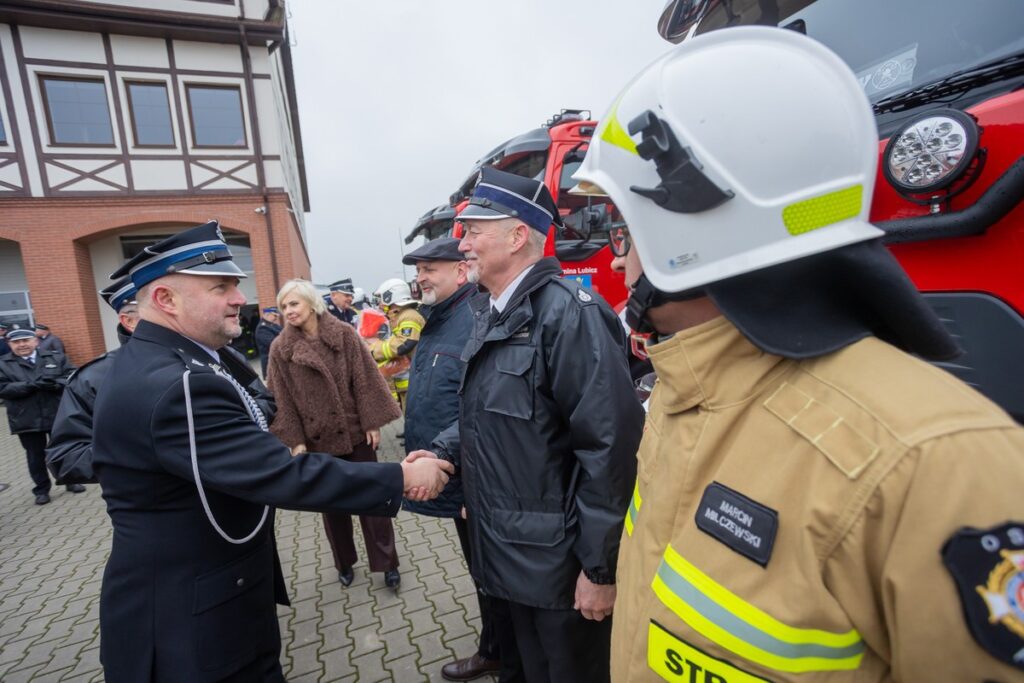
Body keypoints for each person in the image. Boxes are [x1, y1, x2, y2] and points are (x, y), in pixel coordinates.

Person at [571, 26, 1024, 682]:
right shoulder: (686, 389)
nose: (617, 254)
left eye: (625, 224)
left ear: (689, 225)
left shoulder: (935, 461)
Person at [91, 221, 452, 682]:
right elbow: (279, 475)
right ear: (166, 300)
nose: (240, 298)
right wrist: (400, 478)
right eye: (221, 287)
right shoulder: (178, 383)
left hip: (209, 599)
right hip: (190, 624)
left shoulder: (186, 361)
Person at [410, 167, 644, 683]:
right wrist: (445, 451)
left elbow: (608, 450)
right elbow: (494, 415)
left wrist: (600, 570)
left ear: (517, 237)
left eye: (472, 231)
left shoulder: (568, 315)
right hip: (512, 556)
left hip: (560, 572)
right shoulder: (495, 310)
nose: (461, 243)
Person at [401, 237, 521, 682]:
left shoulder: (475, 318)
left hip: (473, 476)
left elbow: (482, 407)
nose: (421, 277)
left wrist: (470, 479)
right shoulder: (440, 318)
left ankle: (504, 656)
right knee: (480, 571)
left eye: (430, 268)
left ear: (459, 271)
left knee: (493, 575)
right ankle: (498, 648)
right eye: (418, 270)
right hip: (452, 473)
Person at [267, 278, 405, 590]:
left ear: (311, 303)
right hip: (317, 441)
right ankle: (344, 563)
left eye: (293, 304)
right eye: (283, 306)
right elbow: (280, 397)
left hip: (355, 433)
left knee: (375, 501)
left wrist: (372, 421)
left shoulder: (343, 334)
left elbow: (365, 377)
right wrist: (295, 439)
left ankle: (387, 564)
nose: (288, 311)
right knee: (332, 509)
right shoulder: (280, 349)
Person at [45, 277, 139, 486]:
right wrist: (144, 453)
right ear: (130, 321)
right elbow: (65, 459)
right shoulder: (96, 376)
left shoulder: (220, 354)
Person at [0, 326, 80, 504]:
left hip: (57, 413)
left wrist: (56, 383)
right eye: (16, 342)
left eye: (26, 340)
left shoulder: (55, 357)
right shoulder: (2, 364)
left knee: (63, 450)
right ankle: (41, 490)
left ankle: (71, 481)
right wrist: (29, 385)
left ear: (35, 341)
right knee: (35, 456)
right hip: (26, 418)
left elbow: (73, 376)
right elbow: (2, 388)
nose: (22, 345)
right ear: (9, 344)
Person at [369, 278, 425, 412]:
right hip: (407, 378)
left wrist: (374, 351)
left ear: (390, 297)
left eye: (382, 298)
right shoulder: (400, 317)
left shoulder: (409, 316)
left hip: (415, 378)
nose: (380, 303)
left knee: (413, 414)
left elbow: (404, 343)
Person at [254, 306, 282, 375]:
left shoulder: (273, 325)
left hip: (278, 362)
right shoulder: (262, 328)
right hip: (271, 364)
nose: (276, 318)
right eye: (274, 316)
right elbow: (273, 343)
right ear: (267, 314)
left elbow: (285, 333)